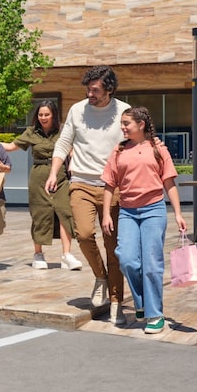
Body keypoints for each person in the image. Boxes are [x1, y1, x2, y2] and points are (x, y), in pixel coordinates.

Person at [44, 65, 130, 324]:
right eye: (88, 89)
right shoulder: (77, 110)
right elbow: (63, 143)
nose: (89, 94)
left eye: (95, 90)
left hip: (112, 187)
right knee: (82, 233)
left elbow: (136, 140)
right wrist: (53, 172)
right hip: (80, 181)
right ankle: (100, 275)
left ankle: (116, 301)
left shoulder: (123, 111)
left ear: (109, 90)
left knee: (113, 246)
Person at [100, 107, 187, 333]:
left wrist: (178, 213)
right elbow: (110, 184)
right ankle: (141, 303)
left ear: (141, 125)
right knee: (127, 259)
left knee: (152, 264)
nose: (122, 127)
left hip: (154, 210)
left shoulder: (158, 149)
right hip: (128, 211)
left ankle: (155, 315)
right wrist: (107, 213)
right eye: (122, 123)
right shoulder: (118, 151)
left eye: (127, 123)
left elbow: (169, 183)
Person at [1, 101, 82, 270]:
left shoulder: (63, 131)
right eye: (40, 114)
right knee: (40, 213)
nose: (43, 118)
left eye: (47, 114)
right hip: (38, 175)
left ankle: (67, 255)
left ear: (54, 115)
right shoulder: (31, 132)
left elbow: (73, 151)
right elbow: (11, 147)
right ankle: (38, 254)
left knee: (64, 212)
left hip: (60, 175)